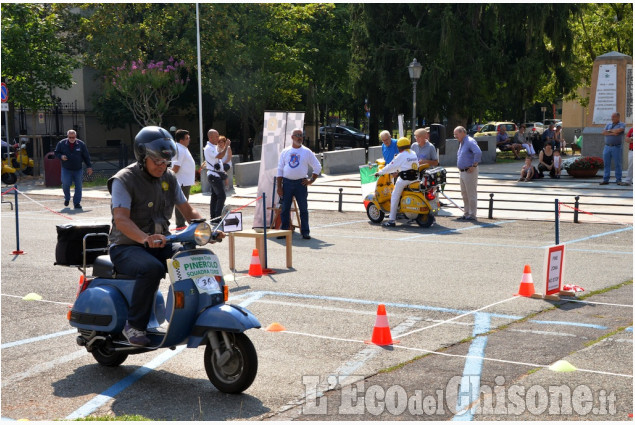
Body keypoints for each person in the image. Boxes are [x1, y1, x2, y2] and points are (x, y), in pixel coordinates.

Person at [107, 126, 223, 346]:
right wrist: (145, 238)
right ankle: (134, 325)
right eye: (157, 162)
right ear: (143, 158)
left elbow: (188, 212)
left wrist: (208, 229)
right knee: (152, 268)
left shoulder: (168, 177)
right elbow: (121, 220)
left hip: (161, 242)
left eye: (165, 162)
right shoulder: (124, 180)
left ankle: (195, 314)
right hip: (126, 246)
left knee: (191, 256)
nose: (162, 166)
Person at [276, 128, 322, 240]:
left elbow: (318, 166)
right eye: (297, 135)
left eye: (301, 135)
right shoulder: (285, 151)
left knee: (303, 209)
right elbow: (280, 169)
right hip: (287, 183)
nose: (300, 137)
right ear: (292, 137)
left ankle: (305, 232)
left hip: (301, 184)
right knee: (285, 208)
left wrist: (311, 180)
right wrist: (279, 186)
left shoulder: (306, 152)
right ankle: (284, 231)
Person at [374, 137, 418, 227]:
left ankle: (392, 220)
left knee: (394, 196)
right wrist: (398, 171)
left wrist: (380, 172)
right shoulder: (413, 153)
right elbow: (407, 166)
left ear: (399, 147)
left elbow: (391, 166)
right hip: (415, 178)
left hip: (405, 180)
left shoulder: (401, 155)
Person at [54, 129, 93, 209]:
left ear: (76, 136)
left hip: (78, 169)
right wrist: (61, 156)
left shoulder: (81, 144)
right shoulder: (61, 143)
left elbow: (86, 156)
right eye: (70, 137)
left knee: (78, 186)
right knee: (65, 184)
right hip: (66, 168)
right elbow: (56, 152)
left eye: (73, 137)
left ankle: (77, 203)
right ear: (67, 136)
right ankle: (67, 198)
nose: (71, 139)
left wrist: (89, 166)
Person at [454, 126, 482, 221]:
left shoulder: (469, 141)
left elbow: (478, 152)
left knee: (471, 194)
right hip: (463, 171)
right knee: (464, 194)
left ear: (463, 133)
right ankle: (466, 214)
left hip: (469, 171)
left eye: (456, 134)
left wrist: (474, 165)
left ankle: (472, 214)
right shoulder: (462, 143)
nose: (455, 136)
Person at [203, 129, 231, 222]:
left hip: (216, 175)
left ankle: (214, 217)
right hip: (213, 175)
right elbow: (220, 156)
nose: (218, 138)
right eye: (216, 136)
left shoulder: (213, 147)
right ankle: (218, 217)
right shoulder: (209, 148)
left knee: (215, 197)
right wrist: (226, 146)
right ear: (210, 137)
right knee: (222, 196)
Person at [170, 129, 196, 229]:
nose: (189, 139)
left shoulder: (182, 148)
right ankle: (180, 224)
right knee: (181, 203)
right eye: (187, 138)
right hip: (181, 182)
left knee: (183, 202)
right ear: (181, 140)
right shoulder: (179, 149)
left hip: (185, 181)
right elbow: (176, 167)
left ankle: (181, 223)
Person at [600, 112, 627, 185]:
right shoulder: (608, 124)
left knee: (618, 164)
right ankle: (606, 179)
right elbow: (603, 132)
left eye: (614, 117)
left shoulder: (622, 124)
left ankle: (618, 180)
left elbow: (619, 131)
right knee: (606, 163)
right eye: (612, 117)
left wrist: (609, 132)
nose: (612, 118)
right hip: (607, 146)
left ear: (618, 117)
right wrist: (613, 133)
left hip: (617, 147)